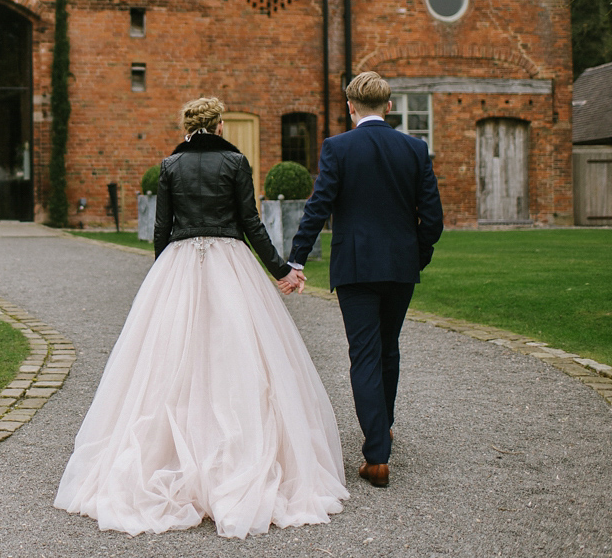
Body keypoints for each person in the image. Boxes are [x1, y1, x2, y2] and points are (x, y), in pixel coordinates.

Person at [54, 97, 349, 539]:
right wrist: (281, 270)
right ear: (219, 124)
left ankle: (169, 455)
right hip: (231, 261)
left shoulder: (170, 165)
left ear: (190, 125)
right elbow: (251, 223)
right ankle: (238, 456)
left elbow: (162, 227)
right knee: (238, 355)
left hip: (179, 261)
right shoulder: (235, 161)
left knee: (169, 359)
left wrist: (161, 275)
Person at [287, 71, 443, 488]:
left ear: (351, 107)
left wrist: (296, 259)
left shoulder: (338, 147)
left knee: (365, 353)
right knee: (388, 348)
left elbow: (318, 208)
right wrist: (418, 256)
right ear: (389, 107)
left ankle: (377, 454)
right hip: (400, 267)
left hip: (355, 268)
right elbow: (433, 217)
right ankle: (383, 429)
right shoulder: (414, 148)